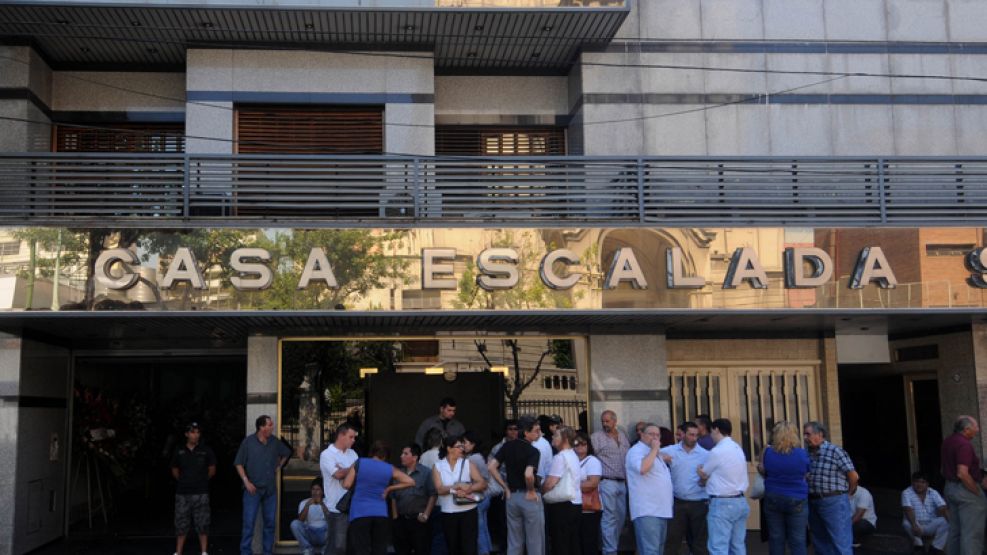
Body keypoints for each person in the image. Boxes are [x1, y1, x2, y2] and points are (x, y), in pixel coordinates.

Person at [343, 440, 415, 555]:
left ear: (372, 452)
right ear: (386, 455)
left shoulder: (360, 462)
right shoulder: (389, 468)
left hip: (359, 512)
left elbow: (346, 485)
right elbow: (411, 481)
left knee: (361, 549)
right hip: (380, 513)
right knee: (379, 549)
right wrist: (389, 488)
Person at [234, 415, 291, 555]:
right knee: (249, 524)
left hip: (270, 490)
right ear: (261, 427)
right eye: (270, 425)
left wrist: (279, 466)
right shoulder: (248, 442)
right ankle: (245, 552)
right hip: (252, 490)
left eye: (272, 424)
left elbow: (287, 452)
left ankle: (267, 552)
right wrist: (246, 482)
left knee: (270, 524)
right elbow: (238, 463)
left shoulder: (274, 442)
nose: (272, 427)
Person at [489, 414, 544, 555]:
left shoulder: (507, 446)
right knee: (534, 541)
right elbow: (528, 474)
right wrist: (531, 490)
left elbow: (491, 466)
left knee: (514, 540)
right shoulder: (533, 451)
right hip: (528, 497)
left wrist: (505, 487)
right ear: (526, 432)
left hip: (511, 496)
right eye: (536, 431)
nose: (539, 433)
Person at [802, 421, 858, 555]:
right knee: (820, 542)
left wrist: (848, 493)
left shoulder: (835, 451)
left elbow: (853, 476)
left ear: (819, 434)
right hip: (813, 501)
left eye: (808, 434)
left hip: (834, 501)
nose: (805, 437)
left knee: (840, 541)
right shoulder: (806, 453)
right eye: (804, 434)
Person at [698, 418, 749, 555]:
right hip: (740, 500)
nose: (711, 436)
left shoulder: (717, 451)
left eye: (711, 432)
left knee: (718, 547)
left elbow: (704, 473)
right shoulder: (737, 448)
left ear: (716, 430)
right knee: (737, 546)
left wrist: (699, 471)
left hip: (722, 502)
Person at [758, 421, 810, 555]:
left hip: (773, 496)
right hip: (797, 497)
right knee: (798, 539)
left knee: (776, 538)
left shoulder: (768, 452)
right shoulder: (802, 454)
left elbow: (763, 470)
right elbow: (807, 474)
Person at [661, 421, 710, 555]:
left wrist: (704, 479)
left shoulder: (705, 454)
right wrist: (661, 459)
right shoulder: (670, 450)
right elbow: (650, 457)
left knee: (699, 542)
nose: (694, 438)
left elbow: (711, 480)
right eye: (690, 435)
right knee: (672, 541)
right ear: (682, 434)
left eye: (696, 435)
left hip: (699, 503)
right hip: (678, 502)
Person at [433, 435, 487, 555]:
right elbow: (439, 490)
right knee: (453, 548)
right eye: (458, 446)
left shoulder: (468, 463)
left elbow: (482, 483)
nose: (462, 449)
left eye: (462, 446)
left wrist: (468, 489)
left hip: (468, 511)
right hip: (448, 512)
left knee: (469, 548)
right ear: (449, 448)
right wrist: (456, 487)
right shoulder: (438, 466)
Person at [941, 415, 987, 555]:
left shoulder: (948, 441)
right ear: (966, 429)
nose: (978, 430)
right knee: (972, 534)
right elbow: (962, 473)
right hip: (965, 490)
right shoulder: (964, 444)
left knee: (955, 531)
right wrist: (976, 491)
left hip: (950, 487)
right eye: (975, 427)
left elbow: (942, 469)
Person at [626, 423, 674, 555]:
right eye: (651, 434)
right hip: (647, 511)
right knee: (650, 551)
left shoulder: (654, 453)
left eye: (657, 435)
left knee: (657, 550)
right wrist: (654, 450)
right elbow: (642, 468)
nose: (655, 438)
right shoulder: (636, 451)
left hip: (661, 510)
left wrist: (659, 454)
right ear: (641, 434)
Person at [171, 421, 216, 555]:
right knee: (181, 523)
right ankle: (178, 552)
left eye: (197, 432)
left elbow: (212, 470)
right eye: (192, 432)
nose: (195, 435)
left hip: (201, 493)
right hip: (182, 493)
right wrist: (184, 481)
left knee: (203, 523)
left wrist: (200, 481)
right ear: (186, 434)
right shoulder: (179, 451)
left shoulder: (206, 450)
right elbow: (174, 469)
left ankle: (204, 551)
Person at [590, 410, 630, 555]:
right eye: (603, 421)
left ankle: (613, 546)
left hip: (622, 483)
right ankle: (609, 550)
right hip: (607, 482)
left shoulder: (623, 437)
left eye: (607, 421)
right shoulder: (596, 437)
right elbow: (591, 457)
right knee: (609, 517)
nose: (605, 424)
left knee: (620, 517)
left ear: (614, 421)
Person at [542, 425, 582, 555]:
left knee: (560, 543)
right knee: (573, 541)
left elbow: (551, 482)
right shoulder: (573, 455)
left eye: (556, 435)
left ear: (564, 439)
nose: (552, 437)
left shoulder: (560, 457)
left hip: (562, 505)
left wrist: (541, 491)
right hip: (575, 503)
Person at [391, 443, 438, 555]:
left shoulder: (426, 472)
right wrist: (395, 517)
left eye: (405, 453)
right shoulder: (398, 473)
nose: (401, 456)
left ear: (415, 457)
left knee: (422, 550)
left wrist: (426, 515)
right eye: (402, 453)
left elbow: (433, 494)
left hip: (419, 520)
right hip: (401, 520)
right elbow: (393, 496)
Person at [320, 423, 359, 555]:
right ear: (341, 436)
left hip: (352, 507)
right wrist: (353, 467)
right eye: (351, 437)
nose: (353, 440)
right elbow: (338, 475)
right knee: (337, 547)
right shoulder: (327, 454)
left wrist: (345, 469)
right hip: (336, 508)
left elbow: (357, 474)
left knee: (351, 546)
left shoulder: (352, 453)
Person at [901, 472, 949, 554]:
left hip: (930, 524)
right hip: (915, 525)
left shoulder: (933, 492)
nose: (919, 484)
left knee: (946, 522)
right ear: (912, 483)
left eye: (923, 482)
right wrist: (914, 525)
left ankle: (936, 548)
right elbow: (908, 509)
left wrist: (951, 521)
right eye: (917, 481)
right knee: (906, 523)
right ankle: (919, 545)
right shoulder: (906, 492)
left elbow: (942, 508)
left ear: (927, 484)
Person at [464, 431, 493, 555]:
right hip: (485, 496)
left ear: (473, 444)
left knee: (478, 528)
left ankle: (483, 551)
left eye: (465, 442)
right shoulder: (480, 456)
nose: (463, 445)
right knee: (483, 527)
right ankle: (488, 549)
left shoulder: (473, 458)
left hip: (478, 496)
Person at [574, 431, 602, 555]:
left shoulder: (592, 461)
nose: (580, 446)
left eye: (583, 443)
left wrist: (570, 486)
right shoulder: (569, 460)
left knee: (588, 543)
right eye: (576, 443)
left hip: (589, 510)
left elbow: (592, 484)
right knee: (576, 544)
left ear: (588, 445)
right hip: (573, 508)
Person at [291, 480, 331, 555]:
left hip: (324, 534)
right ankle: (307, 549)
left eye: (318, 489)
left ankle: (326, 549)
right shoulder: (304, 502)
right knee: (294, 524)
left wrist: (322, 504)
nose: (315, 492)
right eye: (313, 489)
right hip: (310, 532)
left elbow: (330, 520)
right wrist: (307, 505)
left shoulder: (328, 502)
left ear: (322, 492)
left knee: (334, 524)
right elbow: (300, 521)